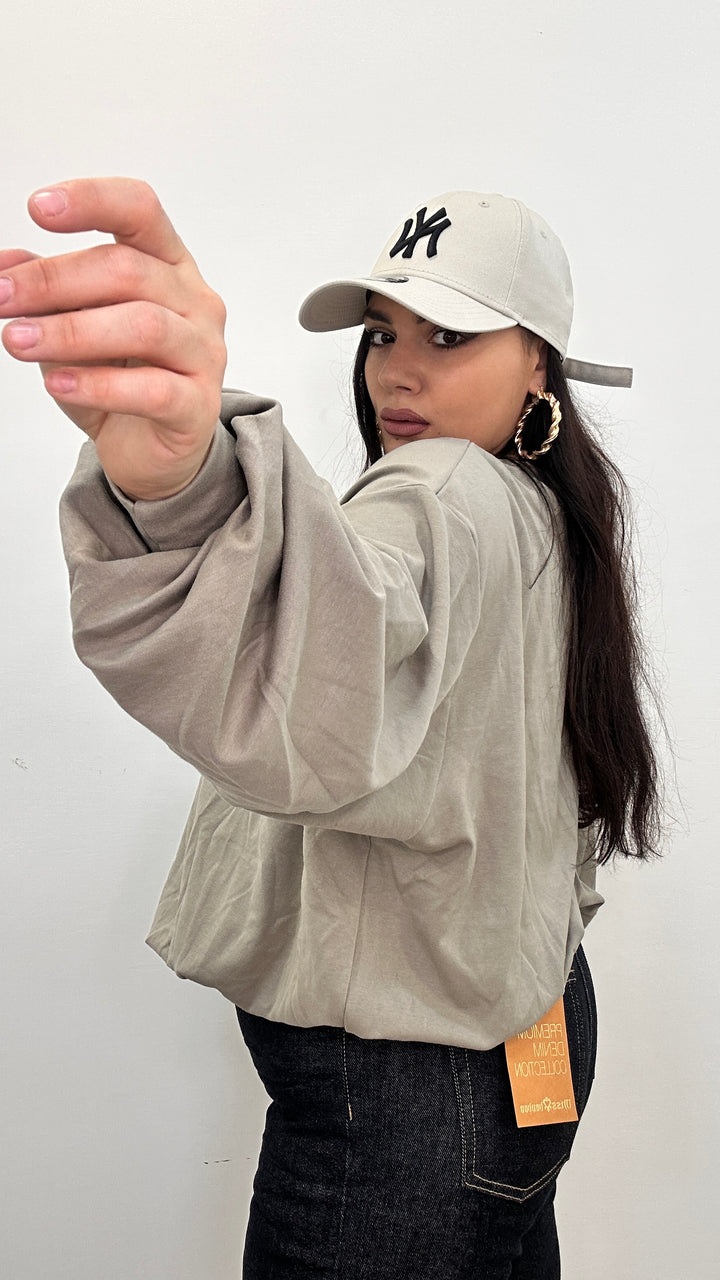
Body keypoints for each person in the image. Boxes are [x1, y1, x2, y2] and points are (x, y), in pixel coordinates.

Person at [1, 180, 660, 1278]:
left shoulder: (437, 490)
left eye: (450, 335)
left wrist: (179, 488)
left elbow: (325, 667)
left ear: (539, 362)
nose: (398, 370)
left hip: (406, 1099)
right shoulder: (546, 507)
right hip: (522, 1037)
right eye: (384, 333)